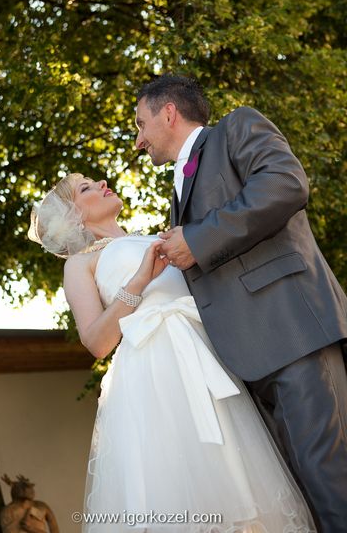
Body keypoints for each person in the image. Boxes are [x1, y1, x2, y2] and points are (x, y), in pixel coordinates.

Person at [28, 173, 316, 532]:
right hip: (155, 371)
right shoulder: (80, 264)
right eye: (85, 187)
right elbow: (97, 342)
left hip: (209, 358)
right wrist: (139, 280)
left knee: (239, 473)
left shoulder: (164, 238)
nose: (101, 182)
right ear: (72, 217)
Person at [135, 74, 347, 533]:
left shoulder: (236, 128)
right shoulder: (177, 189)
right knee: (305, 500)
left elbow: (285, 184)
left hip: (292, 333)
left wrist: (197, 239)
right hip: (248, 362)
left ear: (168, 113)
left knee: (331, 486)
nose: (138, 140)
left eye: (140, 124)